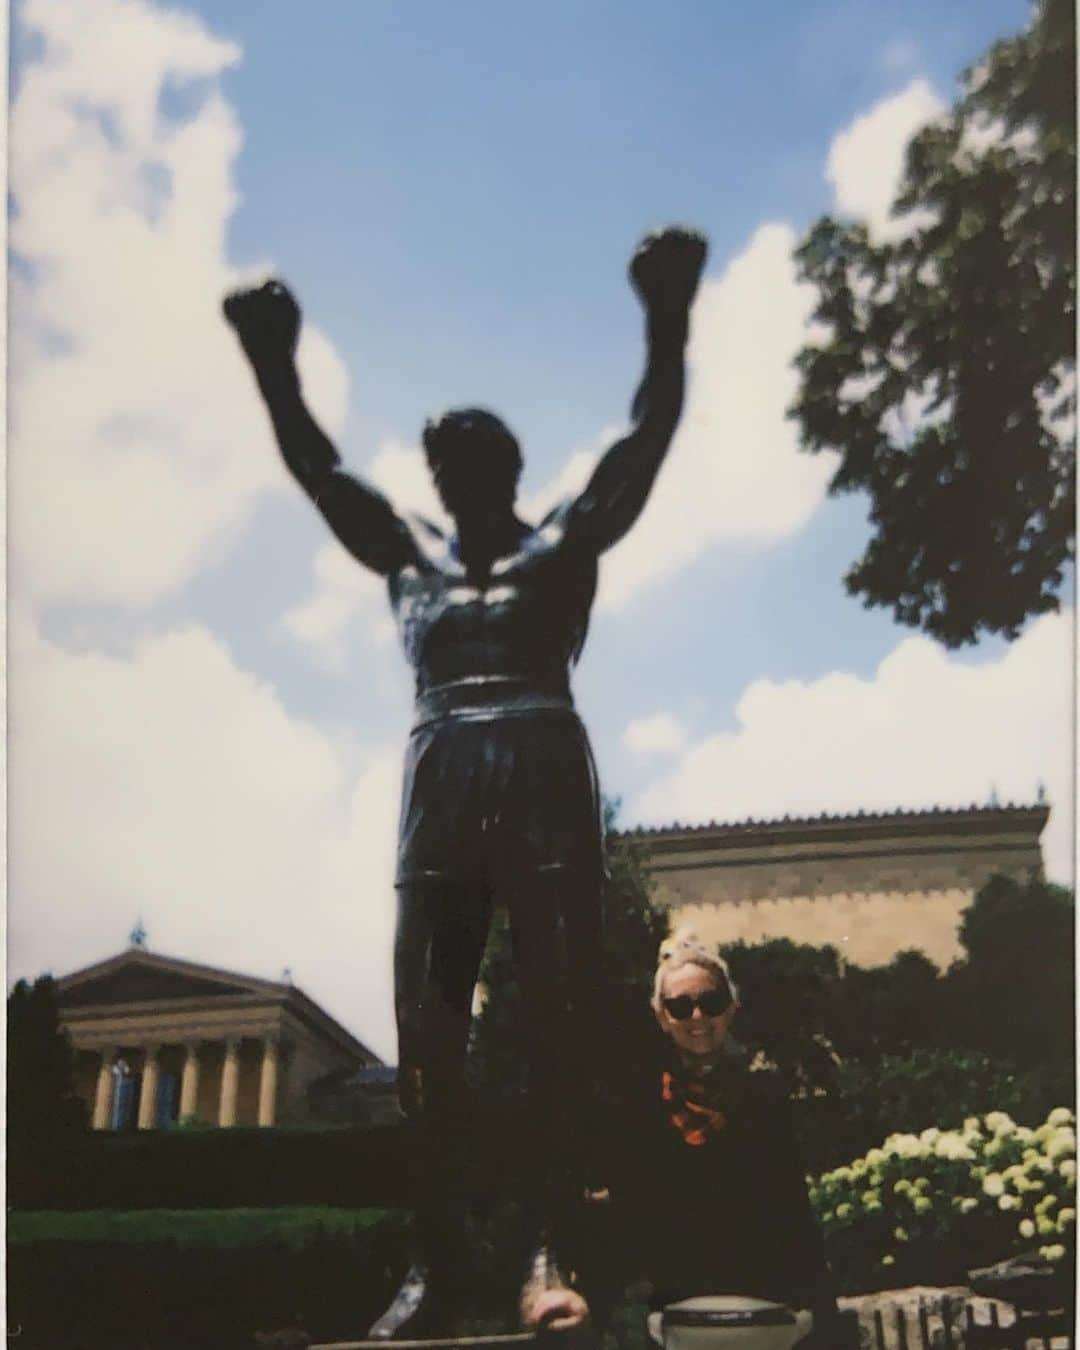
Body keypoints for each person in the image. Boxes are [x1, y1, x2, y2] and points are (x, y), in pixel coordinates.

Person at [222, 228, 707, 1338]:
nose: (449, 475)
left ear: (509, 472)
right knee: (427, 1041)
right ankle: (438, 1262)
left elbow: (648, 435)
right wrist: (272, 359)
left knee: (559, 1031)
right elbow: (319, 470)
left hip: (541, 769)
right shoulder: (408, 560)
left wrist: (667, 310)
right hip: (441, 779)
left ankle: (551, 1247)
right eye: (439, 463)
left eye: (470, 461)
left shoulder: (566, 545)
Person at [523, 928, 842, 1345]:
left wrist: (823, 1316)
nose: (697, 1018)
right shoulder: (632, 1107)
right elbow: (606, 1223)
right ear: (661, 1016)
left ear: (731, 1009)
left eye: (711, 1003)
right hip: (662, 1320)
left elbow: (795, 1218)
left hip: (755, 1313)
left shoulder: (763, 1101)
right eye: (680, 1006)